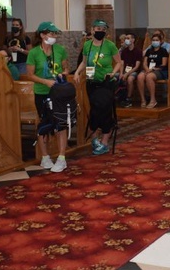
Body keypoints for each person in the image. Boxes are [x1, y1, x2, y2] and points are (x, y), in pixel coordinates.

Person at [74, 19, 122, 155]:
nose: (99, 31)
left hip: (106, 82)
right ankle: (94, 137)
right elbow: (84, 62)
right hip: (92, 82)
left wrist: (113, 72)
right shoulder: (87, 45)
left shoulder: (110, 45)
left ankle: (105, 141)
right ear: (92, 29)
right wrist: (77, 72)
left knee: (104, 110)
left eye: (102, 29)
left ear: (105, 31)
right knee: (95, 110)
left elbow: (119, 62)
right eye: (97, 28)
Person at [27, 21, 70, 172]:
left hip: (58, 93)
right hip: (42, 92)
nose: (54, 37)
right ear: (42, 35)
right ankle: (45, 157)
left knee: (60, 123)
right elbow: (30, 75)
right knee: (44, 124)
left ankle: (62, 158)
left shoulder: (60, 50)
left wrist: (63, 74)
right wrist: (45, 81)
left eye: (55, 34)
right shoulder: (34, 53)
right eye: (51, 34)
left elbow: (66, 68)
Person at [137, 33, 168, 108]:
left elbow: (164, 64)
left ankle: (153, 100)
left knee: (149, 77)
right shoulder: (149, 51)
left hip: (159, 70)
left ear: (160, 41)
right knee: (140, 77)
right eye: (153, 40)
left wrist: (153, 69)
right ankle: (143, 99)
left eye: (157, 40)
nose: (155, 41)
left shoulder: (163, 51)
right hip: (148, 69)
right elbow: (144, 63)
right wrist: (147, 69)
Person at [119, 33, 143, 107]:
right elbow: (122, 63)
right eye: (126, 38)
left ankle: (128, 98)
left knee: (130, 79)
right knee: (114, 77)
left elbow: (136, 66)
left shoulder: (138, 51)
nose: (126, 40)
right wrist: (121, 73)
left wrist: (127, 74)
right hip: (125, 70)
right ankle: (118, 97)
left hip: (134, 71)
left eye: (128, 38)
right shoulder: (124, 51)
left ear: (133, 40)